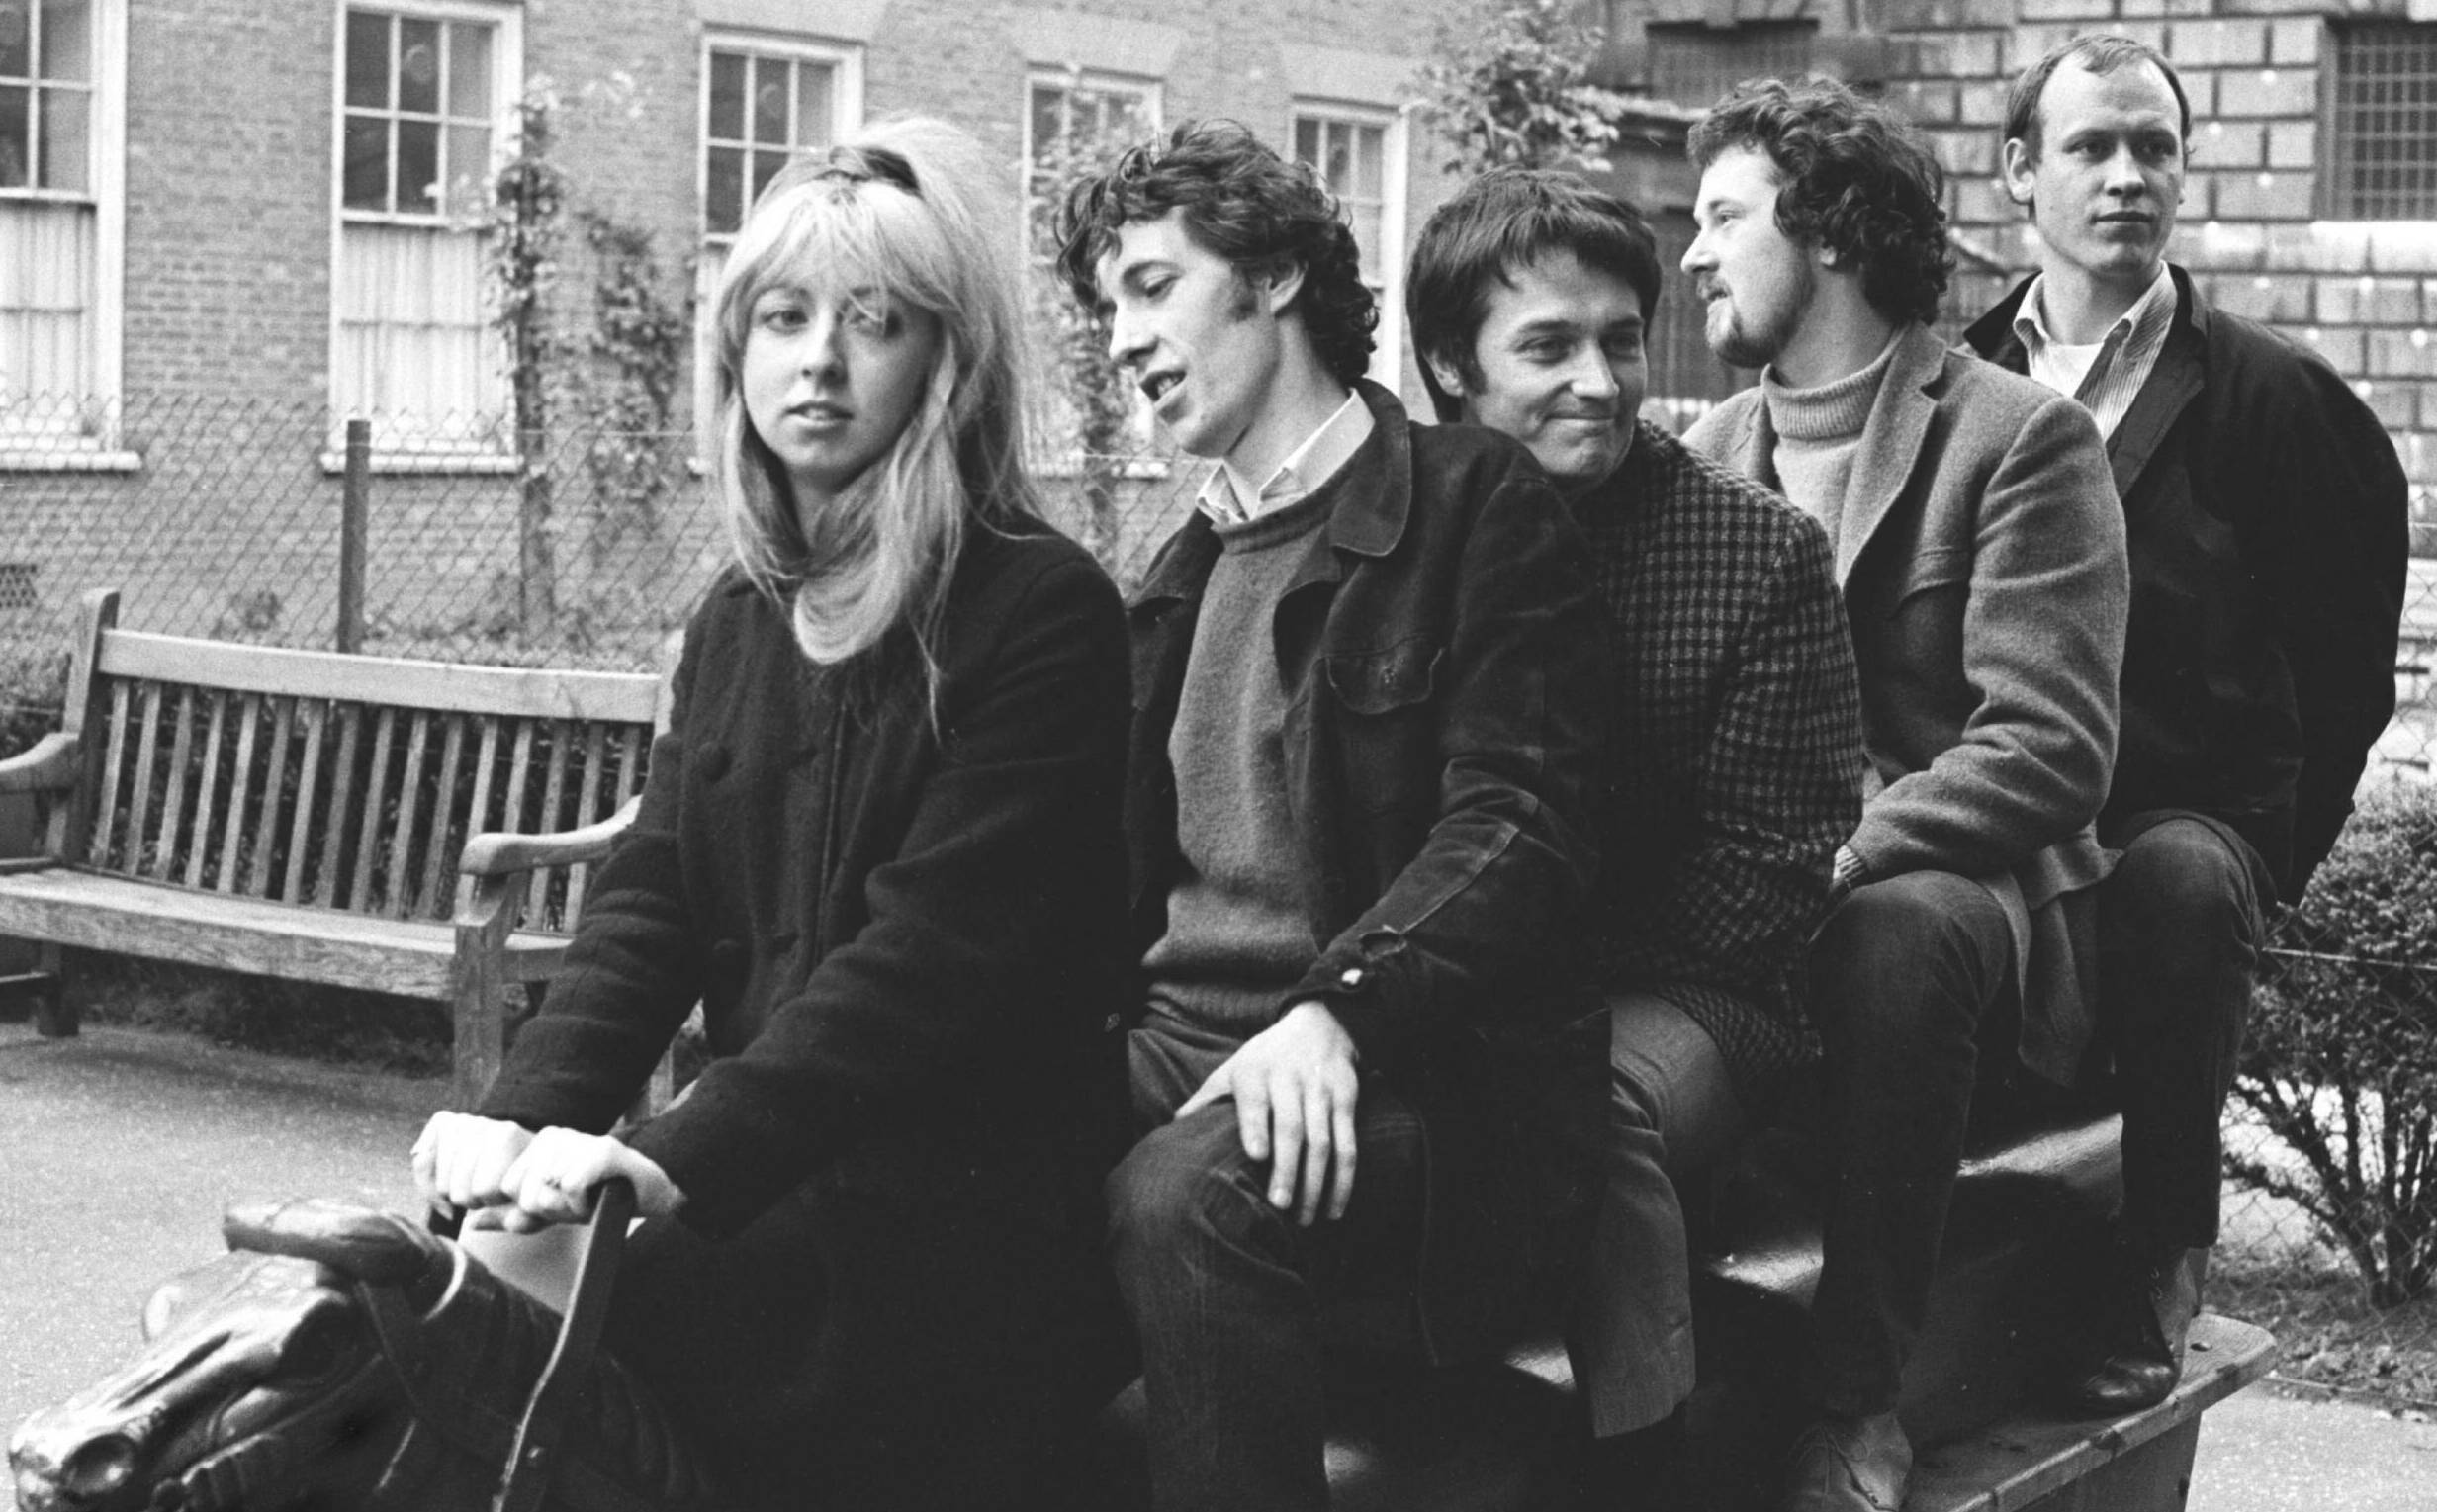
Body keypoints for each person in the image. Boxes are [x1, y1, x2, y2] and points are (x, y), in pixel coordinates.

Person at [411, 118, 1131, 1512]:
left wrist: (669, 1158)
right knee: (441, 1308)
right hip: (760, 1191)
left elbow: (924, 966)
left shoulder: (1040, 609)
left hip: (956, 1232)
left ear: (944, 361)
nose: (820, 359)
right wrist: (517, 1124)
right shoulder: (737, 619)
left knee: (549, 1363)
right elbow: (650, 902)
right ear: (733, 353)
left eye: (874, 323)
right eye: (785, 317)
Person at [1053, 120, 1608, 1512]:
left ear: (1279, 273)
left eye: (1150, 284)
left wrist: (1337, 1009)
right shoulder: (1169, 580)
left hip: (1424, 1089)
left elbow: (1518, 820)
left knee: (1183, 1197)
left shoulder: (1477, 505)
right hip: (1175, 1054)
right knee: (913, 1159)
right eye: (1106, 305)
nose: (1121, 338)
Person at [1679, 79, 2128, 1512]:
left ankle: (1854, 1399)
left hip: (1951, 938)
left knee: (1903, 926)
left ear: (1823, 232)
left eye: (1722, 217)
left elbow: (2048, 743)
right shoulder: (1698, 458)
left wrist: (1836, 851)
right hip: (1746, 906)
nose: (1693, 255)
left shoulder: (2017, 438)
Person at [1960, 34, 2408, 1415]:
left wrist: (2257, 852)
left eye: (2154, 147)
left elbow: (2344, 676)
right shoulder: (1953, 377)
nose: (2128, 176)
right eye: (2092, 146)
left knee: (2179, 875)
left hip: (2168, 822)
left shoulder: (2273, 401)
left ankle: (2156, 1273)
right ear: (2021, 173)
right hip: (1995, 803)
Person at [1405, 165, 1865, 1505]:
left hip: (1699, 999)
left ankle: (1644, 1463)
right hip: (1468, 980)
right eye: (1547, 347)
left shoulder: (1757, 554)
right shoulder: (1406, 532)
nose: (1601, 383)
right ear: (1449, 365)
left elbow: (1771, 875)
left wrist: (1505, 966)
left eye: (1619, 340)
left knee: (1577, 1095)